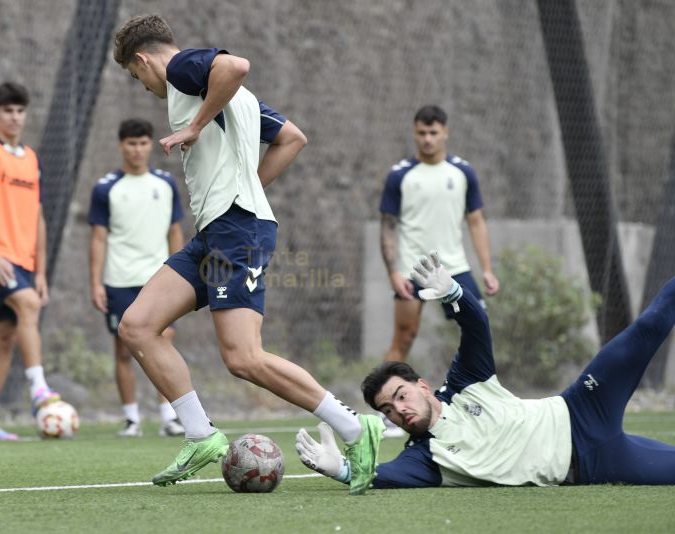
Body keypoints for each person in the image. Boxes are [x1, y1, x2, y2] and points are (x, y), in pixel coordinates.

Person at [112, 14, 384, 494]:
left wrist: (194, 127)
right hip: (218, 230)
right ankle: (200, 435)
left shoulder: (181, 69)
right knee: (137, 326)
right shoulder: (234, 99)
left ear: (143, 60)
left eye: (137, 77)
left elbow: (236, 65)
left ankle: (355, 428)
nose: (145, 87)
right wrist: (245, 188)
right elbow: (292, 137)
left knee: (243, 357)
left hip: (235, 231)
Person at [296, 251, 675, 488]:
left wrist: (455, 294)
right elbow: (382, 477)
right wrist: (342, 469)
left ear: (422, 386)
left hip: (581, 408)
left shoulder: (464, 382)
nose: (399, 410)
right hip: (593, 465)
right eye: (388, 410)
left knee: (648, 326)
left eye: (400, 395)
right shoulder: (424, 459)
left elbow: (476, 327)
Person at [378, 105, 500, 437]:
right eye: (422, 133)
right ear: (414, 132)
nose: (428, 139)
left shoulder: (463, 172)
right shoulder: (400, 175)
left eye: (433, 133)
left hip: (455, 269)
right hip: (412, 270)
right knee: (403, 337)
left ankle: (484, 405)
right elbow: (387, 226)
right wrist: (393, 273)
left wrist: (487, 270)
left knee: (478, 329)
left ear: (445, 132)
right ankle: (387, 415)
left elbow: (476, 221)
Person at [0, 82, 60, 440]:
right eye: (7, 110)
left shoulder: (32, 159)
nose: (15, 117)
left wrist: (40, 271)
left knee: (3, 337)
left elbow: (38, 218)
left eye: (20, 110)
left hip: (22, 261)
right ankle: (39, 388)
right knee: (28, 304)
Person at [88, 118, 186, 438]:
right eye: (131, 143)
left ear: (149, 145)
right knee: (123, 350)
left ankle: (169, 416)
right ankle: (131, 419)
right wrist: (96, 282)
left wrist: (180, 275)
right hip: (119, 279)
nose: (137, 149)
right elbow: (98, 238)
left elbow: (175, 232)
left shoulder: (165, 184)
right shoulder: (106, 188)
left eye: (143, 143)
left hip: (158, 280)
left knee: (163, 343)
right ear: (121, 146)